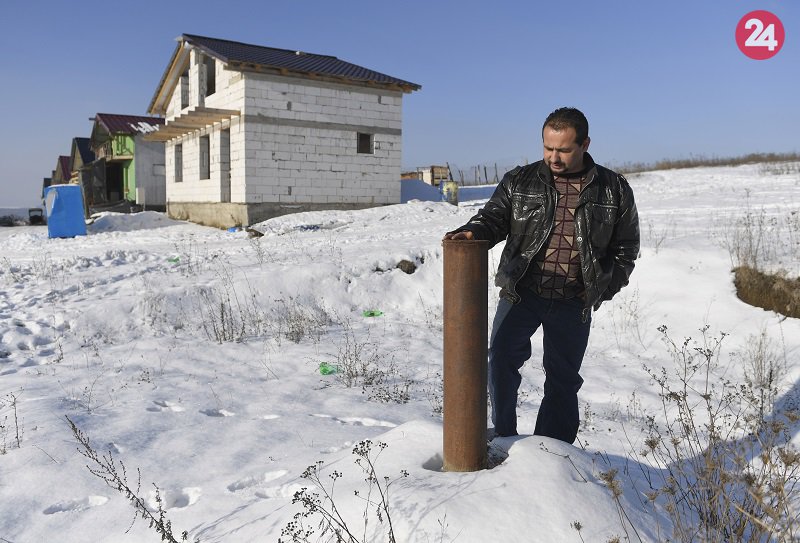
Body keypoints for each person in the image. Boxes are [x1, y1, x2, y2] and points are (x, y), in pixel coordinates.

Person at [443, 107, 639, 444]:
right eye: (548, 148)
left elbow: (626, 248)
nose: (554, 157)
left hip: (572, 300)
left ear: (585, 144)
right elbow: (492, 219)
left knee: (563, 379)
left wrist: (599, 290)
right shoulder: (520, 181)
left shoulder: (613, 189)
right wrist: (473, 232)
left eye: (563, 150)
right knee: (501, 361)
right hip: (522, 293)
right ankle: (502, 437)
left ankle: (551, 451)